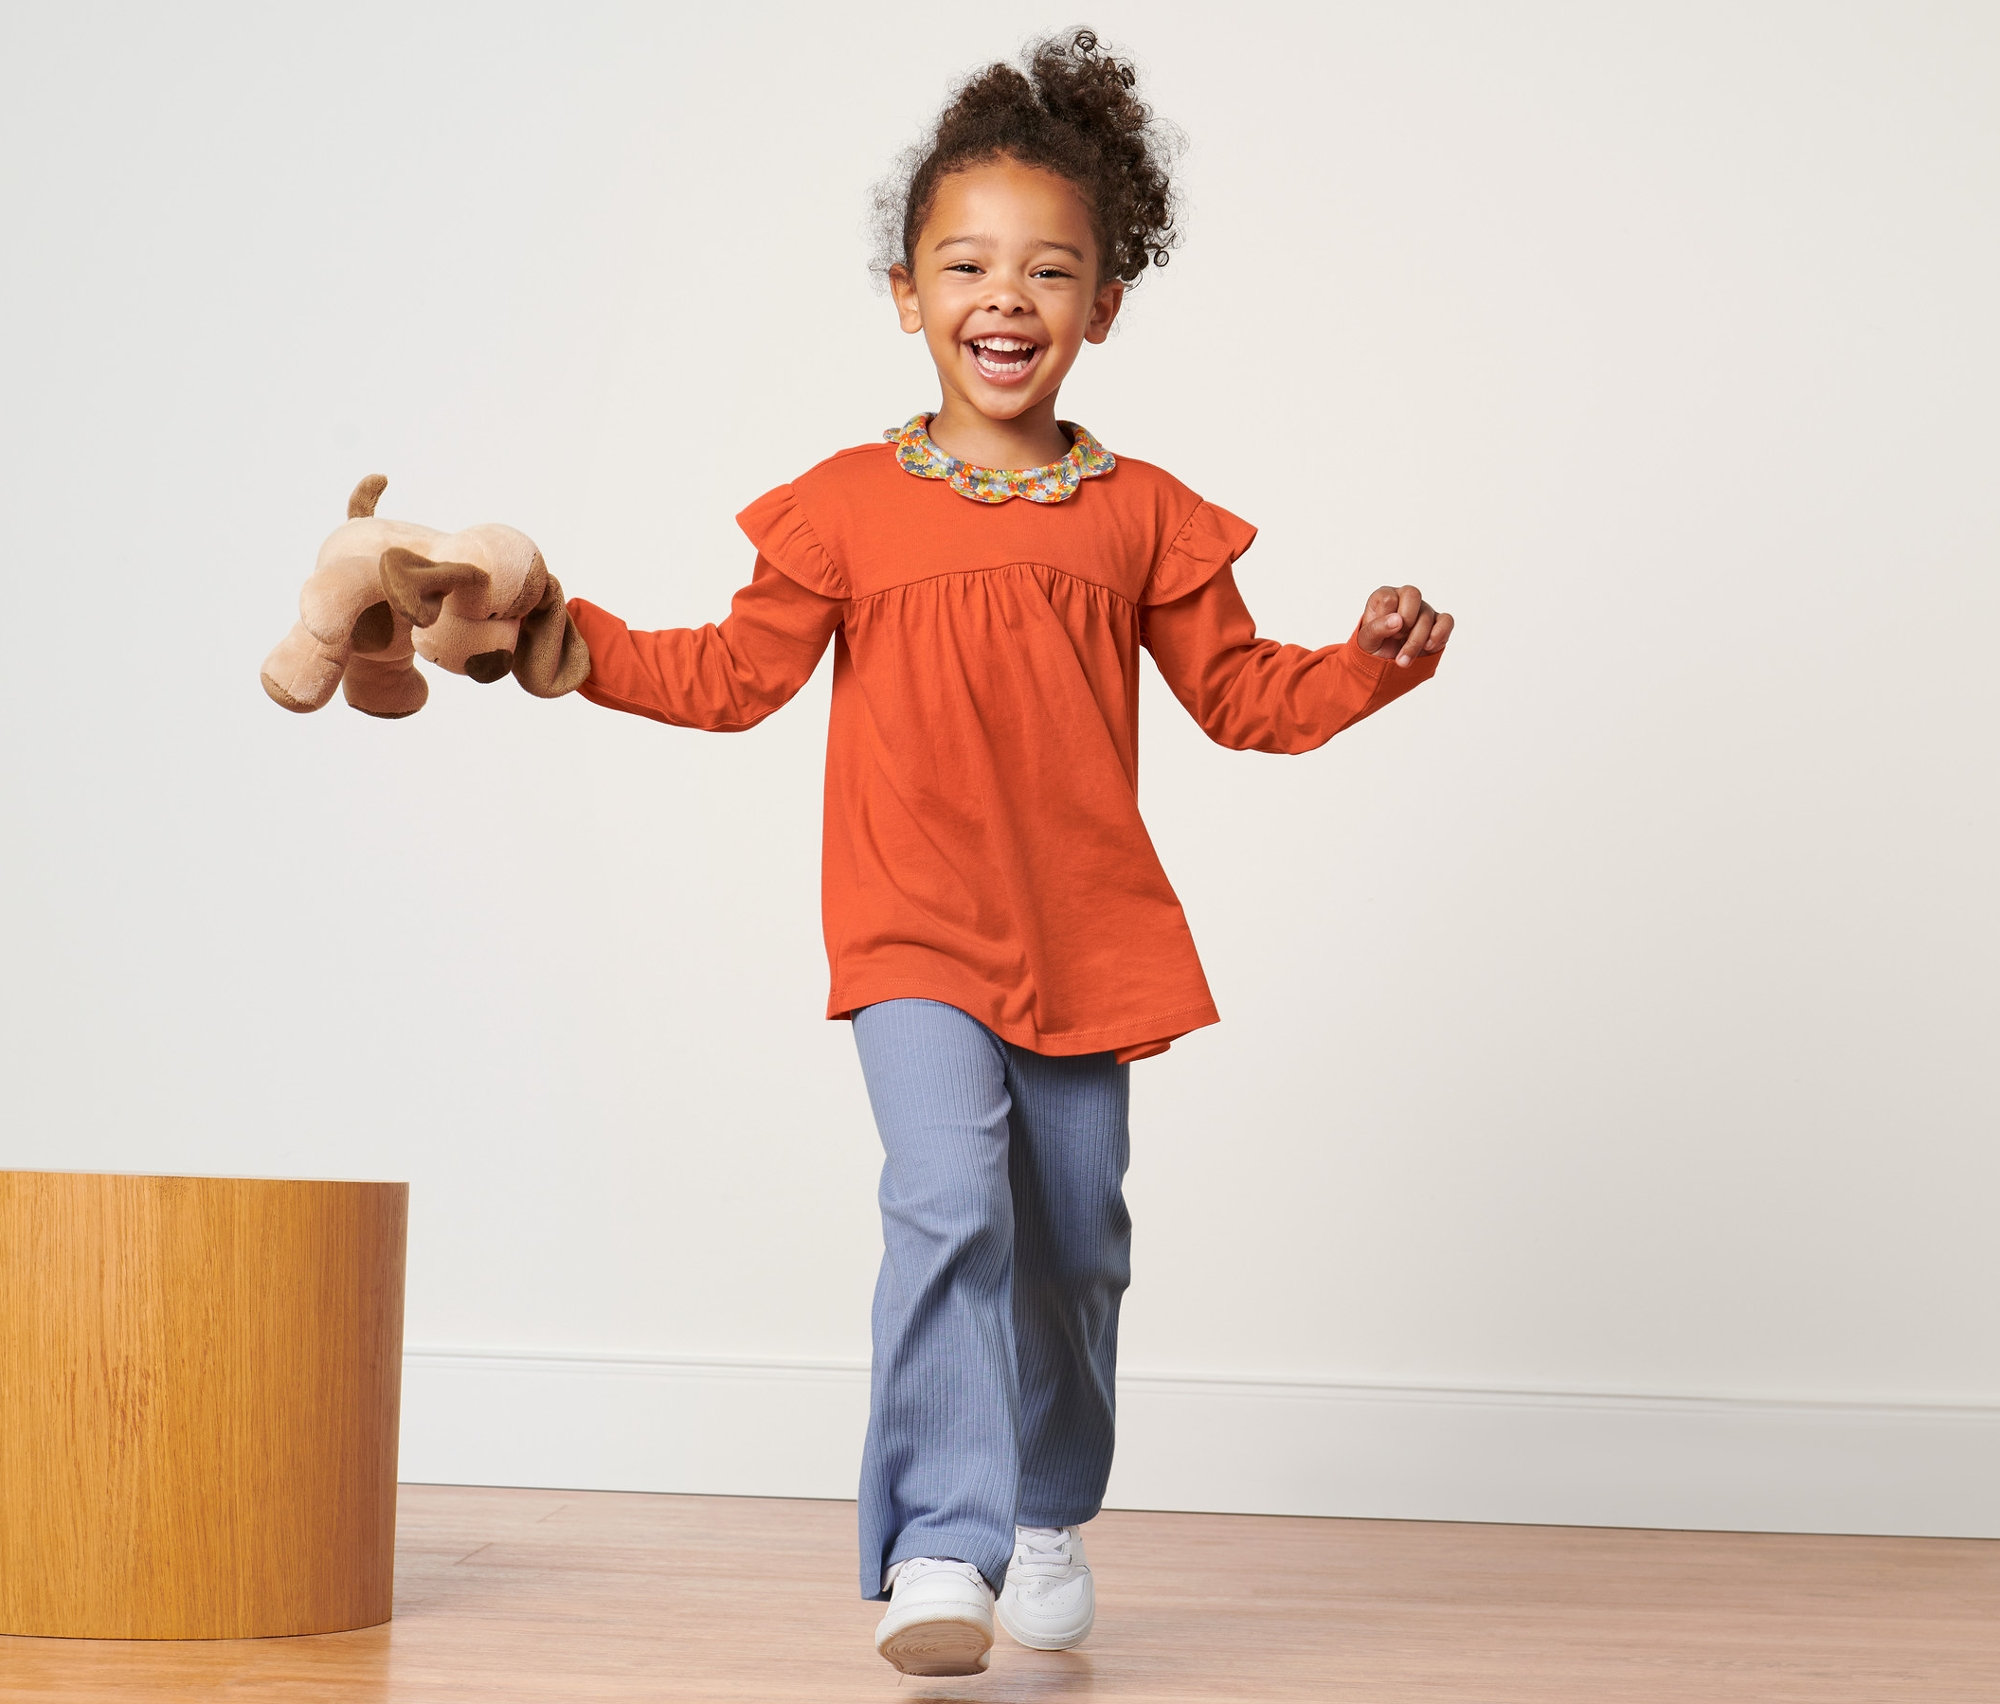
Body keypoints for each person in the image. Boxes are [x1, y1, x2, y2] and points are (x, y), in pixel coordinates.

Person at [561, 28, 1452, 1679]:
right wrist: (559, 639)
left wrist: (1367, 664)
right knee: (946, 1199)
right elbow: (729, 675)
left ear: (1103, 304)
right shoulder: (842, 505)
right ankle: (941, 1548)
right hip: (911, 930)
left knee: (1078, 1243)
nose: (1006, 296)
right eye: (966, 263)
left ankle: (1046, 1511)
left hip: (1087, 940)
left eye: (1051, 269)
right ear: (906, 293)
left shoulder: (1146, 515)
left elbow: (1244, 699)